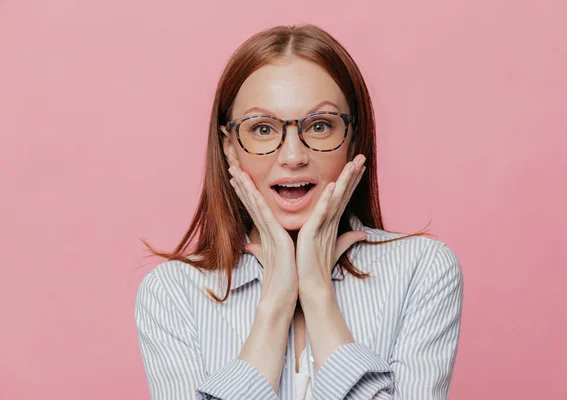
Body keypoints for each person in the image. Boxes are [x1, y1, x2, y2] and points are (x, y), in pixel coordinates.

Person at [134, 23, 464, 400]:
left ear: (353, 138)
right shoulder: (172, 293)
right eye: (262, 129)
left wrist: (318, 292)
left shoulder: (422, 270)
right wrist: (275, 304)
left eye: (320, 125)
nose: (293, 156)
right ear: (229, 147)